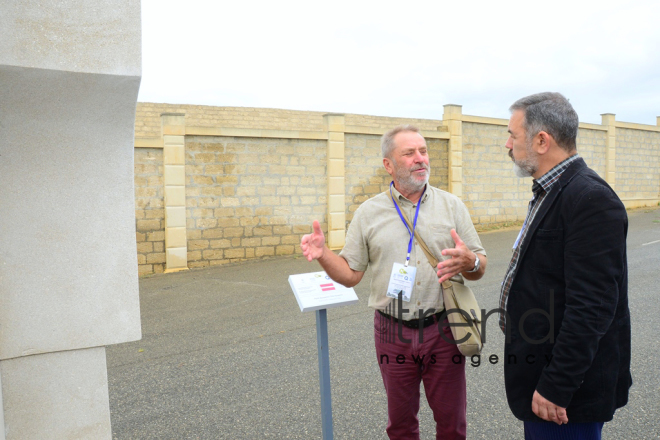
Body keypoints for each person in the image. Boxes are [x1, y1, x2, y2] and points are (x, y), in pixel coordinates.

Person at [301, 125, 487, 440]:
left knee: (452, 423)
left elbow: (479, 264)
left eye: (423, 151)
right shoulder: (368, 213)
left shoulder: (451, 206)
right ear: (389, 164)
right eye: (409, 153)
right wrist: (323, 255)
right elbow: (350, 273)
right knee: (400, 424)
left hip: (442, 328)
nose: (420, 159)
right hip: (392, 331)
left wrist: (472, 262)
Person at [499, 92, 632, 440]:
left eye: (513, 135)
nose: (507, 144)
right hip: (545, 379)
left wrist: (557, 385)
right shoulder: (552, 190)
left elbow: (593, 308)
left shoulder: (590, 199)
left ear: (542, 141)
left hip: (567, 398)